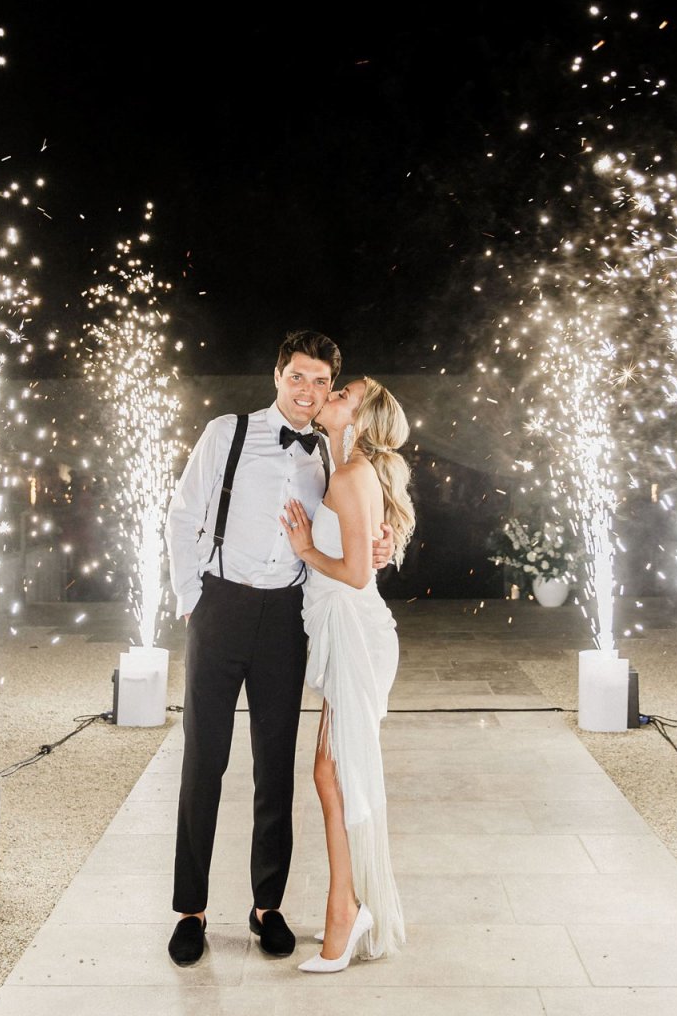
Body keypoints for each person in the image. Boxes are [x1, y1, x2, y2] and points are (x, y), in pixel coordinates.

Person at [164, 331, 394, 966]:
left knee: (276, 767)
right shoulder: (226, 433)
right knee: (202, 762)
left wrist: (379, 547)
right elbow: (183, 516)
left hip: (287, 619)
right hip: (221, 606)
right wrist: (193, 597)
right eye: (298, 376)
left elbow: (363, 521)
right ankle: (191, 910)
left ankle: (267, 907)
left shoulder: (329, 451)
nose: (308, 391)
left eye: (321, 381)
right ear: (277, 376)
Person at [282, 376, 415, 972]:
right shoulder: (343, 464)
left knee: (335, 774)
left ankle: (347, 911)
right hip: (346, 632)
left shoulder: (351, 472)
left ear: (357, 420)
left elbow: (359, 574)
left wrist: (307, 549)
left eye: (344, 395)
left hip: (358, 634)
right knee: (334, 774)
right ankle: (352, 903)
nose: (330, 396)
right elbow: (368, 549)